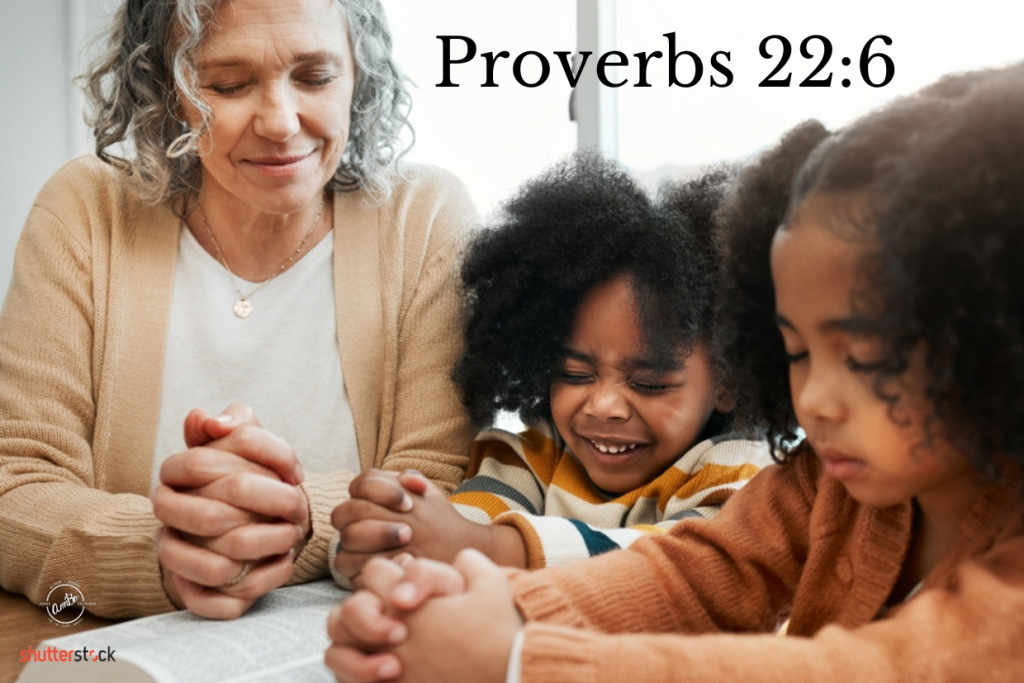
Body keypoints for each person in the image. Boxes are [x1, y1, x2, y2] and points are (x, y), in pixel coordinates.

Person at [323, 64, 1024, 682]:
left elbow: (869, 671)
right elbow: (695, 572)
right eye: (797, 351)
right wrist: (496, 612)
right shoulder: (826, 486)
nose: (817, 400)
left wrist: (517, 659)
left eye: (867, 357)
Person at [0, 0, 477, 620]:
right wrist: (167, 553)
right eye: (228, 84)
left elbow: (446, 482)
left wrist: (298, 519)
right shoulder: (86, 211)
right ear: (163, 89)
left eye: (315, 77)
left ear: (361, 76)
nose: (280, 122)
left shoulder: (426, 216)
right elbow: (16, 482)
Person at [329, 155, 771, 581]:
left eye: (648, 383)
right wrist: (393, 535)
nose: (604, 406)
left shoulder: (740, 472)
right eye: (575, 375)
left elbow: (677, 563)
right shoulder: (534, 456)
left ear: (728, 381)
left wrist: (488, 548)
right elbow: (464, 523)